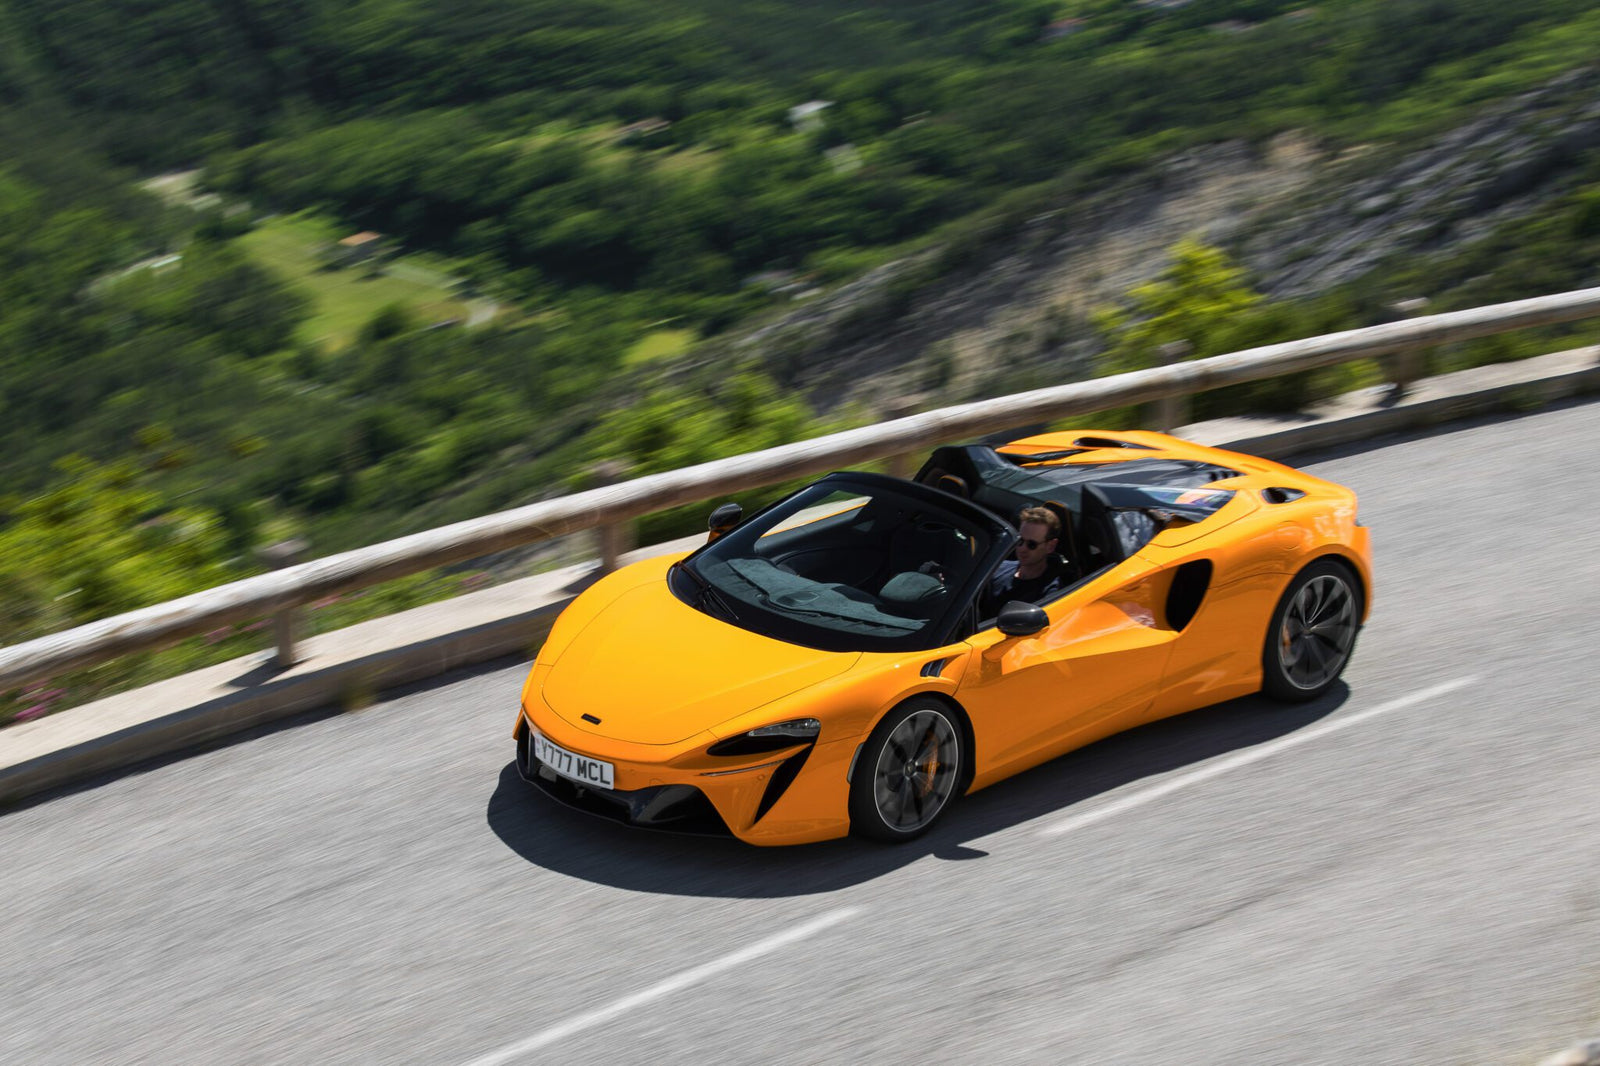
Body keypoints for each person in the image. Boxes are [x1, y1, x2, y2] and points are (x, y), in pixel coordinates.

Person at [983, 505, 1069, 616]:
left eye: (1032, 544)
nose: (1022, 548)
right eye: (1020, 541)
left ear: (1050, 546)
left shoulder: (1050, 594)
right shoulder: (998, 568)